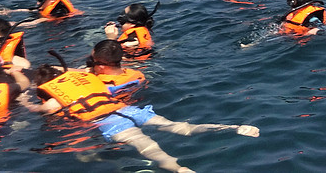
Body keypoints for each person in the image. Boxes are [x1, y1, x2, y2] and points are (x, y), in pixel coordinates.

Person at [22, 62, 259, 173]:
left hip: (110, 122)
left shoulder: (53, 98)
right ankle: (232, 127)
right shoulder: (88, 78)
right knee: (182, 127)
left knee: (151, 149)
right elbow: (78, 72)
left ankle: (180, 170)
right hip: (129, 110)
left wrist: (24, 101)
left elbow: (41, 110)